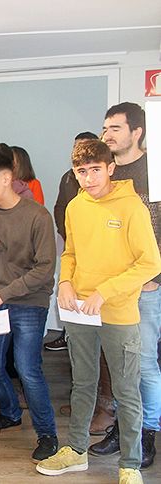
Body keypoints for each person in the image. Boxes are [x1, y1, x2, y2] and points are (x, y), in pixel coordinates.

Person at [35, 139, 160, 484]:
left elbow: (150, 263)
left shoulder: (132, 207)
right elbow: (71, 253)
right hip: (79, 312)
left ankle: (130, 464)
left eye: (95, 170)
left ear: (110, 169)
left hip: (118, 312)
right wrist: (65, 282)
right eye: (81, 171)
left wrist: (105, 293)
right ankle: (76, 450)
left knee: (126, 390)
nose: (88, 178)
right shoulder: (76, 206)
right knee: (83, 384)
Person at [0, 152, 58, 462]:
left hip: (29, 301)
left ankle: (47, 433)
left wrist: (0, 296)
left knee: (27, 367)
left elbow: (44, 269)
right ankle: (9, 414)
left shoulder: (38, 216)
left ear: (6, 179)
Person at [90, 102, 161, 469]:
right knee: (121, 364)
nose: (107, 135)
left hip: (147, 285)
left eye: (115, 128)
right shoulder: (109, 173)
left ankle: (146, 432)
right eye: (105, 128)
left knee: (144, 363)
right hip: (113, 286)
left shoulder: (155, 169)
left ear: (137, 132)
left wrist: (153, 277)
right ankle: (123, 427)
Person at [44, 131, 100, 354]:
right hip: (73, 243)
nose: (80, 151)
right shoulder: (68, 177)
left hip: (98, 247)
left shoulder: (103, 179)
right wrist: (67, 233)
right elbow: (60, 208)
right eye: (76, 146)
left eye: (85, 145)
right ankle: (68, 335)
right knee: (70, 289)